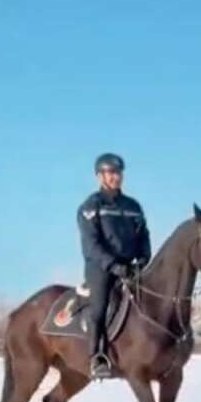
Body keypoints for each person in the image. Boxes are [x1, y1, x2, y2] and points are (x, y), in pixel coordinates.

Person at [77, 153, 150, 380]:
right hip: (101, 268)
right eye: (110, 173)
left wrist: (144, 257)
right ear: (100, 176)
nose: (115, 177)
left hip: (130, 267)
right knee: (100, 308)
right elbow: (91, 245)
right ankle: (96, 357)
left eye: (118, 173)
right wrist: (113, 265)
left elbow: (143, 235)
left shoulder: (133, 206)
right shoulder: (91, 206)